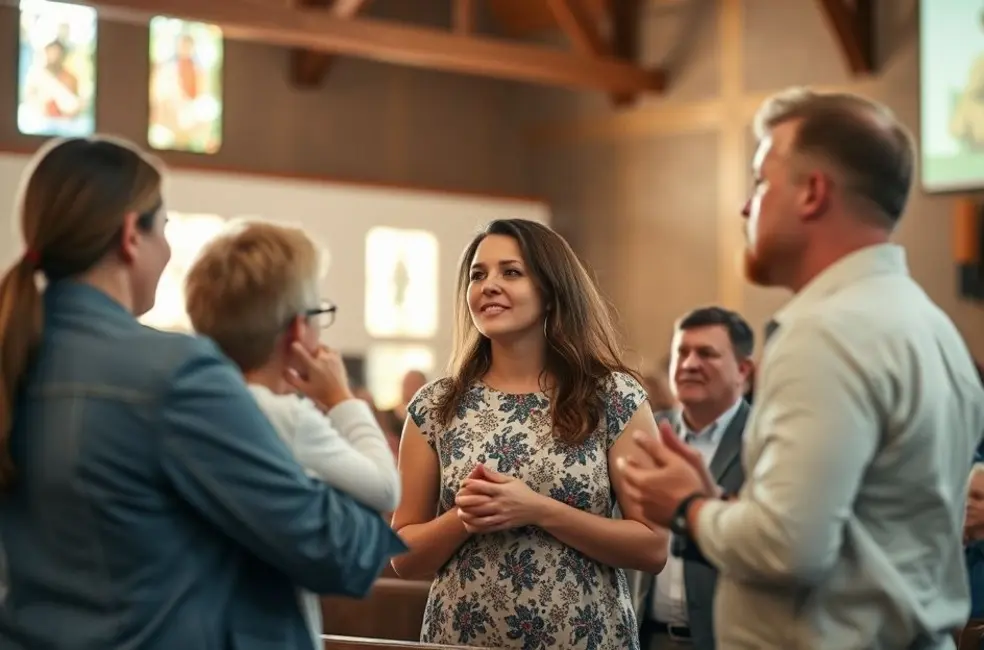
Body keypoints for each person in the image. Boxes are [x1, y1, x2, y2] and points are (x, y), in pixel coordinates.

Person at [0, 136, 404, 650]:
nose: (168, 250)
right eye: (164, 229)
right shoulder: (172, 374)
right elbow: (339, 551)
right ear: (131, 235)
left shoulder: (15, 359)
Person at [620, 88, 984, 649]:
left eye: (762, 181)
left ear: (813, 193)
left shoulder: (827, 332)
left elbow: (788, 549)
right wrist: (718, 505)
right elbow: (865, 535)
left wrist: (687, 510)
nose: (746, 206)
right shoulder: (933, 327)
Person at [390, 218, 667, 649]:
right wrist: (465, 518)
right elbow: (402, 557)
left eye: (511, 272)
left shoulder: (612, 396)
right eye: (478, 275)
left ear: (552, 291)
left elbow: (652, 547)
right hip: (462, 637)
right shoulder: (435, 406)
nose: (489, 285)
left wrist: (538, 509)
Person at [184, 220, 401, 649]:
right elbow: (384, 488)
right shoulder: (284, 415)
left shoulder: (199, 405)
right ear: (298, 330)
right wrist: (341, 397)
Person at [630, 306, 754, 650]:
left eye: (707, 353)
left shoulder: (766, 440)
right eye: (681, 352)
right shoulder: (644, 432)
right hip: (646, 636)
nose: (689, 364)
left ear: (743, 369)